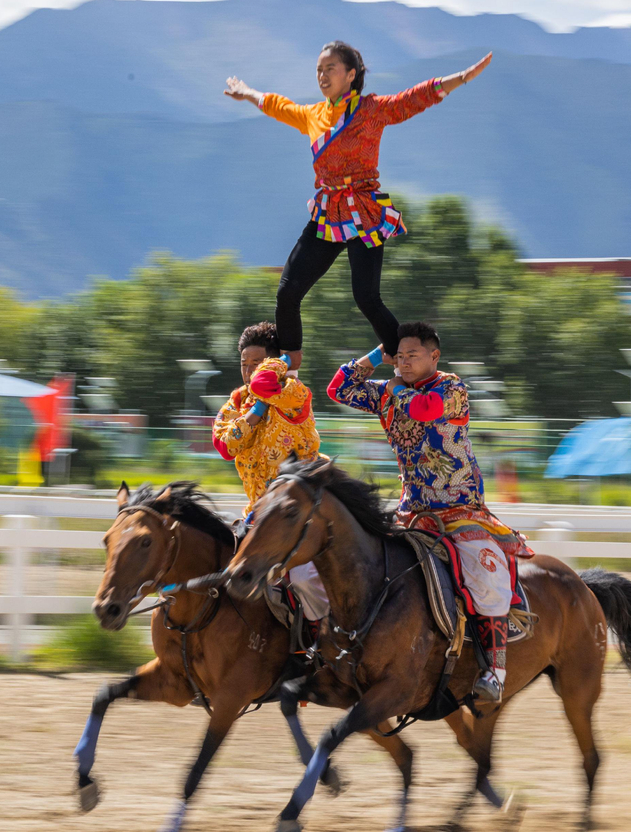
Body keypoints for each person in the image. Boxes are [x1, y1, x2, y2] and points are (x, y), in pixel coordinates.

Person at [224, 42, 492, 370]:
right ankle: (289, 370)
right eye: (319, 70)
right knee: (287, 293)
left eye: (330, 69)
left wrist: (462, 77)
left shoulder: (371, 110)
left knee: (366, 297)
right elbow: (275, 105)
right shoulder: (313, 115)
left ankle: (408, 363)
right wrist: (246, 91)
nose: (322, 76)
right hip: (327, 215)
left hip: (363, 213)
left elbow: (413, 99)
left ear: (351, 74)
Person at [326, 321, 533, 703]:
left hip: (460, 506)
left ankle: (495, 669)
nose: (403, 363)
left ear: (434, 356)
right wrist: (376, 356)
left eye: (412, 356)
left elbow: (423, 411)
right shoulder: (390, 390)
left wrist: (392, 386)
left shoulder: (451, 387)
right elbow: (337, 388)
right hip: (412, 508)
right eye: (399, 356)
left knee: (484, 575)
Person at [212, 321, 328, 621]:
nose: (249, 371)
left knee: (304, 580)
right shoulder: (236, 402)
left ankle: (324, 643)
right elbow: (226, 446)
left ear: (273, 364)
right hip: (257, 515)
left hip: (300, 516)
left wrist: (287, 361)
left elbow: (264, 385)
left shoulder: (293, 392)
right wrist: (256, 411)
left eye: (257, 363)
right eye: (244, 364)